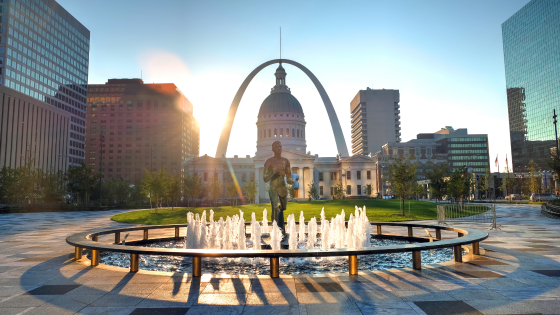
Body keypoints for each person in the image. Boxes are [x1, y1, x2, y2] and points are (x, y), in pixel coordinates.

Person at [263, 141, 293, 234]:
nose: (279, 148)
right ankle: (275, 229)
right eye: (277, 146)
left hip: (282, 186)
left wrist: (290, 180)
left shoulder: (286, 161)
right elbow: (265, 178)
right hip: (273, 187)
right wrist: (272, 173)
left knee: (283, 208)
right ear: (273, 149)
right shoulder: (268, 161)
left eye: (280, 146)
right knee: (274, 208)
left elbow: (289, 176)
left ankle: (280, 222)